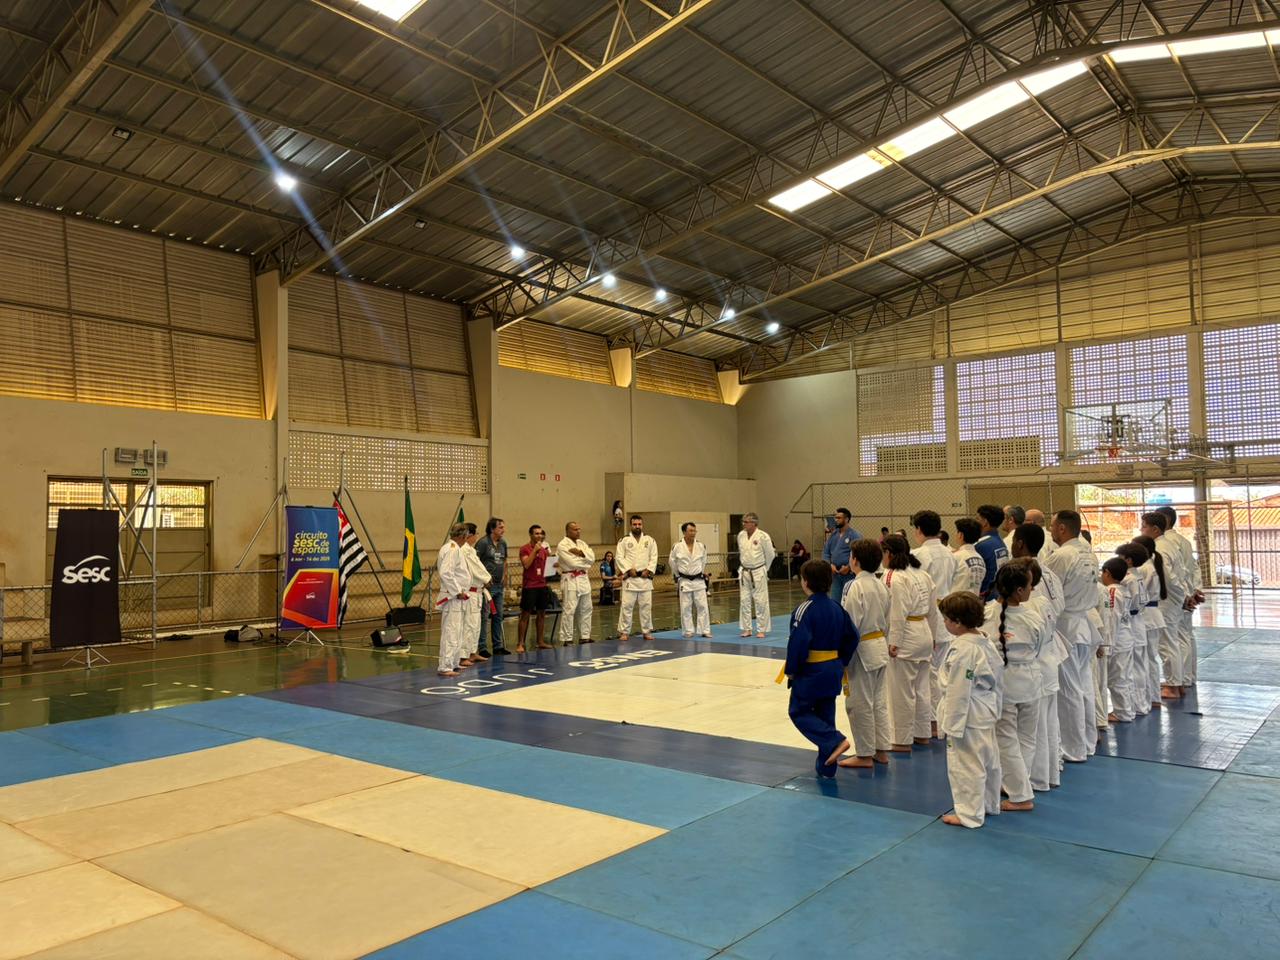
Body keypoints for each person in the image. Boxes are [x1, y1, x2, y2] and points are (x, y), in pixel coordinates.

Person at [780, 559, 858, 778]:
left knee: (798, 711)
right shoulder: (837, 608)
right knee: (825, 716)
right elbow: (853, 637)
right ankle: (826, 768)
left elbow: (798, 643)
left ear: (805, 582)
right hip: (833, 668)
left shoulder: (804, 610)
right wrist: (841, 661)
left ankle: (835, 741)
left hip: (811, 671)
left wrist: (791, 670)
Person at [937, 591, 1004, 828]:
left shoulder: (964, 649)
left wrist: (952, 725)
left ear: (957, 622)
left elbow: (958, 688)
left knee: (966, 765)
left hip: (967, 713)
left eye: (946, 619)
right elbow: (998, 680)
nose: (944, 623)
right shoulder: (985, 641)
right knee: (988, 761)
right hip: (985, 709)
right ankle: (988, 804)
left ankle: (969, 814)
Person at [982, 562, 1043, 813]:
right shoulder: (1033, 616)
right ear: (1019, 590)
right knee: (1026, 738)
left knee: (1006, 739)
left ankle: (1019, 793)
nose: (1031, 589)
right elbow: (1040, 645)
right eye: (1029, 585)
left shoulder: (987, 614)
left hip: (1003, 682)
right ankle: (1018, 786)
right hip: (1030, 679)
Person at [1012, 523, 1065, 792]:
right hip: (1049, 656)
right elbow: (1060, 607)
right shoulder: (1049, 574)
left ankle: (1035, 779)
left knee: (1034, 728)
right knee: (1048, 722)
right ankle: (1050, 772)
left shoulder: (1026, 591)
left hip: (1035, 662)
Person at [1044, 509, 1098, 764]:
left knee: (1069, 689)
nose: (1051, 530)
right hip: (1083, 623)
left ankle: (1073, 748)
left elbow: (1048, 590)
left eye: (1053, 526)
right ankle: (1087, 742)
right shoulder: (1088, 552)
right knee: (1084, 684)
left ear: (1062, 528)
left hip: (1067, 625)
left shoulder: (1062, 555)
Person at [882, 534, 941, 752]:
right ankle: (922, 734)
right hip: (924, 631)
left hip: (906, 635)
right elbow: (933, 611)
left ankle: (901, 740)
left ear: (888, 553)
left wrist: (894, 641)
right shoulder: (922, 574)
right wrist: (933, 636)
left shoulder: (894, 577)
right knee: (922, 689)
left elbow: (897, 612)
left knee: (901, 692)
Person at [838, 538, 891, 768]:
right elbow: (887, 620)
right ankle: (881, 750)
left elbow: (849, 625)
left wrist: (842, 656)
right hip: (879, 645)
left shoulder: (855, 586)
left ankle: (865, 754)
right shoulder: (881, 585)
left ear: (855, 560)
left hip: (860, 649)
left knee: (859, 703)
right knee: (878, 702)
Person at [912, 510, 958, 738]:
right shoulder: (951, 553)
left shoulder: (918, 555)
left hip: (929, 616)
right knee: (942, 672)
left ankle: (932, 722)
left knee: (929, 674)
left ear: (919, 529)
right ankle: (939, 720)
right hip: (947, 617)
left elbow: (917, 587)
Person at [1140, 511, 1189, 700]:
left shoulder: (1160, 548)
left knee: (1167, 643)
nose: (1141, 530)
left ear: (1155, 529)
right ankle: (1177, 682)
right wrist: (1183, 595)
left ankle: (1173, 685)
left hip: (1166, 600)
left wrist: (1181, 596)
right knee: (1171, 642)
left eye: (1144, 526)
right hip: (1171, 600)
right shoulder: (1167, 545)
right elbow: (1180, 574)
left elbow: (1169, 578)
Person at [1157, 505, 1202, 687]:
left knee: (1175, 638)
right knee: (1185, 635)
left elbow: (1172, 574)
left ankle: (1179, 679)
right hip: (1185, 592)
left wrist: (1186, 595)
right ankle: (1187, 677)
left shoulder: (1167, 543)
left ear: (1165, 520)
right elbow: (1193, 568)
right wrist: (1195, 589)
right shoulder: (1183, 541)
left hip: (1176, 595)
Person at [1103, 553, 1141, 724]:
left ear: (1107, 573)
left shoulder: (1112, 591)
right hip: (1126, 637)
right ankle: (1128, 709)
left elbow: (1112, 618)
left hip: (1118, 640)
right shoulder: (1124, 590)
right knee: (1125, 676)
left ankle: (1122, 712)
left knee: (1117, 678)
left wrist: (1108, 645)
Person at [1133, 534, 1168, 714]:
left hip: (1147, 616)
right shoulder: (1150, 566)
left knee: (1145, 659)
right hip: (1152, 615)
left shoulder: (1144, 569)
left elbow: (1139, 595)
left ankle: (1150, 697)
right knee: (1150, 659)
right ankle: (1153, 696)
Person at [435, 524, 471, 678]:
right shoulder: (452, 549)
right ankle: (445, 666)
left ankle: (454, 662)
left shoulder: (454, 548)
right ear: (463, 536)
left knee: (457, 631)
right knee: (451, 631)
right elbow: (446, 573)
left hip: (458, 597)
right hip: (453, 597)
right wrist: (457, 591)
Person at [616, 514, 658, 641]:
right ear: (630, 525)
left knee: (646, 607)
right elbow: (619, 557)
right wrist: (628, 569)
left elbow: (654, 556)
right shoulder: (624, 540)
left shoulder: (650, 540)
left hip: (645, 579)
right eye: (635, 524)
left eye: (639, 524)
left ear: (642, 525)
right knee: (626, 607)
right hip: (630, 579)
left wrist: (649, 570)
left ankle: (647, 631)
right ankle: (624, 632)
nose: (637, 526)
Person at [670, 521, 713, 638]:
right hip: (684, 580)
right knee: (685, 607)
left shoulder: (701, 546)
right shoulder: (677, 547)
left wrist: (700, 571)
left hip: (698, 579)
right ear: (684, 532)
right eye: (691, 531)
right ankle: (688, 630)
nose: (693, 533)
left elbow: (703, 561)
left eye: (694, 531)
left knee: (703, 606)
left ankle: (705, 630)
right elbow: (672, 562)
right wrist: (678, 575)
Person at [475, 517, 510, 657]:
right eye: (500, 527)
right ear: (492, 529)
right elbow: (475, 561)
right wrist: (482, 579)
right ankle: (482, 647)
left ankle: (498, 646)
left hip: (499, 585)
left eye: (503, 527)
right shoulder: (483, 543)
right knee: (484, 616)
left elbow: (505, 560)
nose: (503, 530)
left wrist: (505, 576)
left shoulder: (503, 543)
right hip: (487, 587)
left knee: (498, 615)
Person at [557, 521, 596, 646]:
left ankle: (585, 636)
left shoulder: (582, 544)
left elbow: (592, 558)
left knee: (586, 608)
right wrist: (586, 562)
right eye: (575, 529)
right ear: (567, 531)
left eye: (579, 529)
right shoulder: (562, 545)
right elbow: (572, 563)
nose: (578, 531)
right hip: (570, 579)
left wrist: (580, 553)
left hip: (583, 578)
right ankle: (567, 638)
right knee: (569, 609)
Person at [738, 513, 776, 638]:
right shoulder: (741, 535)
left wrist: (765, 568)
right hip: (744, 571)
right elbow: (742, 553)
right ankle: (747, 628)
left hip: (758, 571)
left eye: (746, 522)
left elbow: (770, 554)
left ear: (754, 523)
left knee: (761, 601)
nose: (743, 524)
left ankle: (761, 629)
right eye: (743, 521)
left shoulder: (763, 536)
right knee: (744, 601)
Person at [517, 524, 553, 653]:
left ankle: (540, 641)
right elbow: (526, 564)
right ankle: (520, 643)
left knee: (541, 614)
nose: (539, 536)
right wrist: (534, 551)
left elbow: (548, 569)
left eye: (541, 533)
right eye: (536, 533)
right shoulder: (524, 549)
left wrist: (554, 564)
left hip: (542, 585)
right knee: (525, 615)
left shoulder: (544, 550)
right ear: (531, 535)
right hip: (530, 586)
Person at [460, 523, 491, 667]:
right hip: (470, 592)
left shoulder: (471, 550)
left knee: (475, 625)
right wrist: (487, 578)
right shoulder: (464, 550)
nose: (477, 536)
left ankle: (472, 652)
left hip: (478, 592)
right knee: (468, 625)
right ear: (470, 535)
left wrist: (485, 579)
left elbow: (480, 567)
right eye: (476, 533)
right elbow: (475, 569)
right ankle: (463, 656)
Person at [823, 507, 862, 602]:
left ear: (846, 519)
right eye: (835, 518)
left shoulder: (855, 535)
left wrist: (849, 567)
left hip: (849, 574)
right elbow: (826, 552)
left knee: (849, 601)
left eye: (839, 518)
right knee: (835, 601)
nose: (836, 520)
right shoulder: (833, 535)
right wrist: (829, 565)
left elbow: (859, 554)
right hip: (835, 574)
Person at [974, 505, 1010, 601]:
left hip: (984, 597)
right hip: (997, 594)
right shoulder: (1000, 542)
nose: (974, 522)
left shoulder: (980, 545)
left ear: (985, 522)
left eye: (977, 519)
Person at [951, 518, 986, 595]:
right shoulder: (980, 558)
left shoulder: (955, 557)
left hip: (956, 599)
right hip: (974, 599)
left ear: (960, 535)